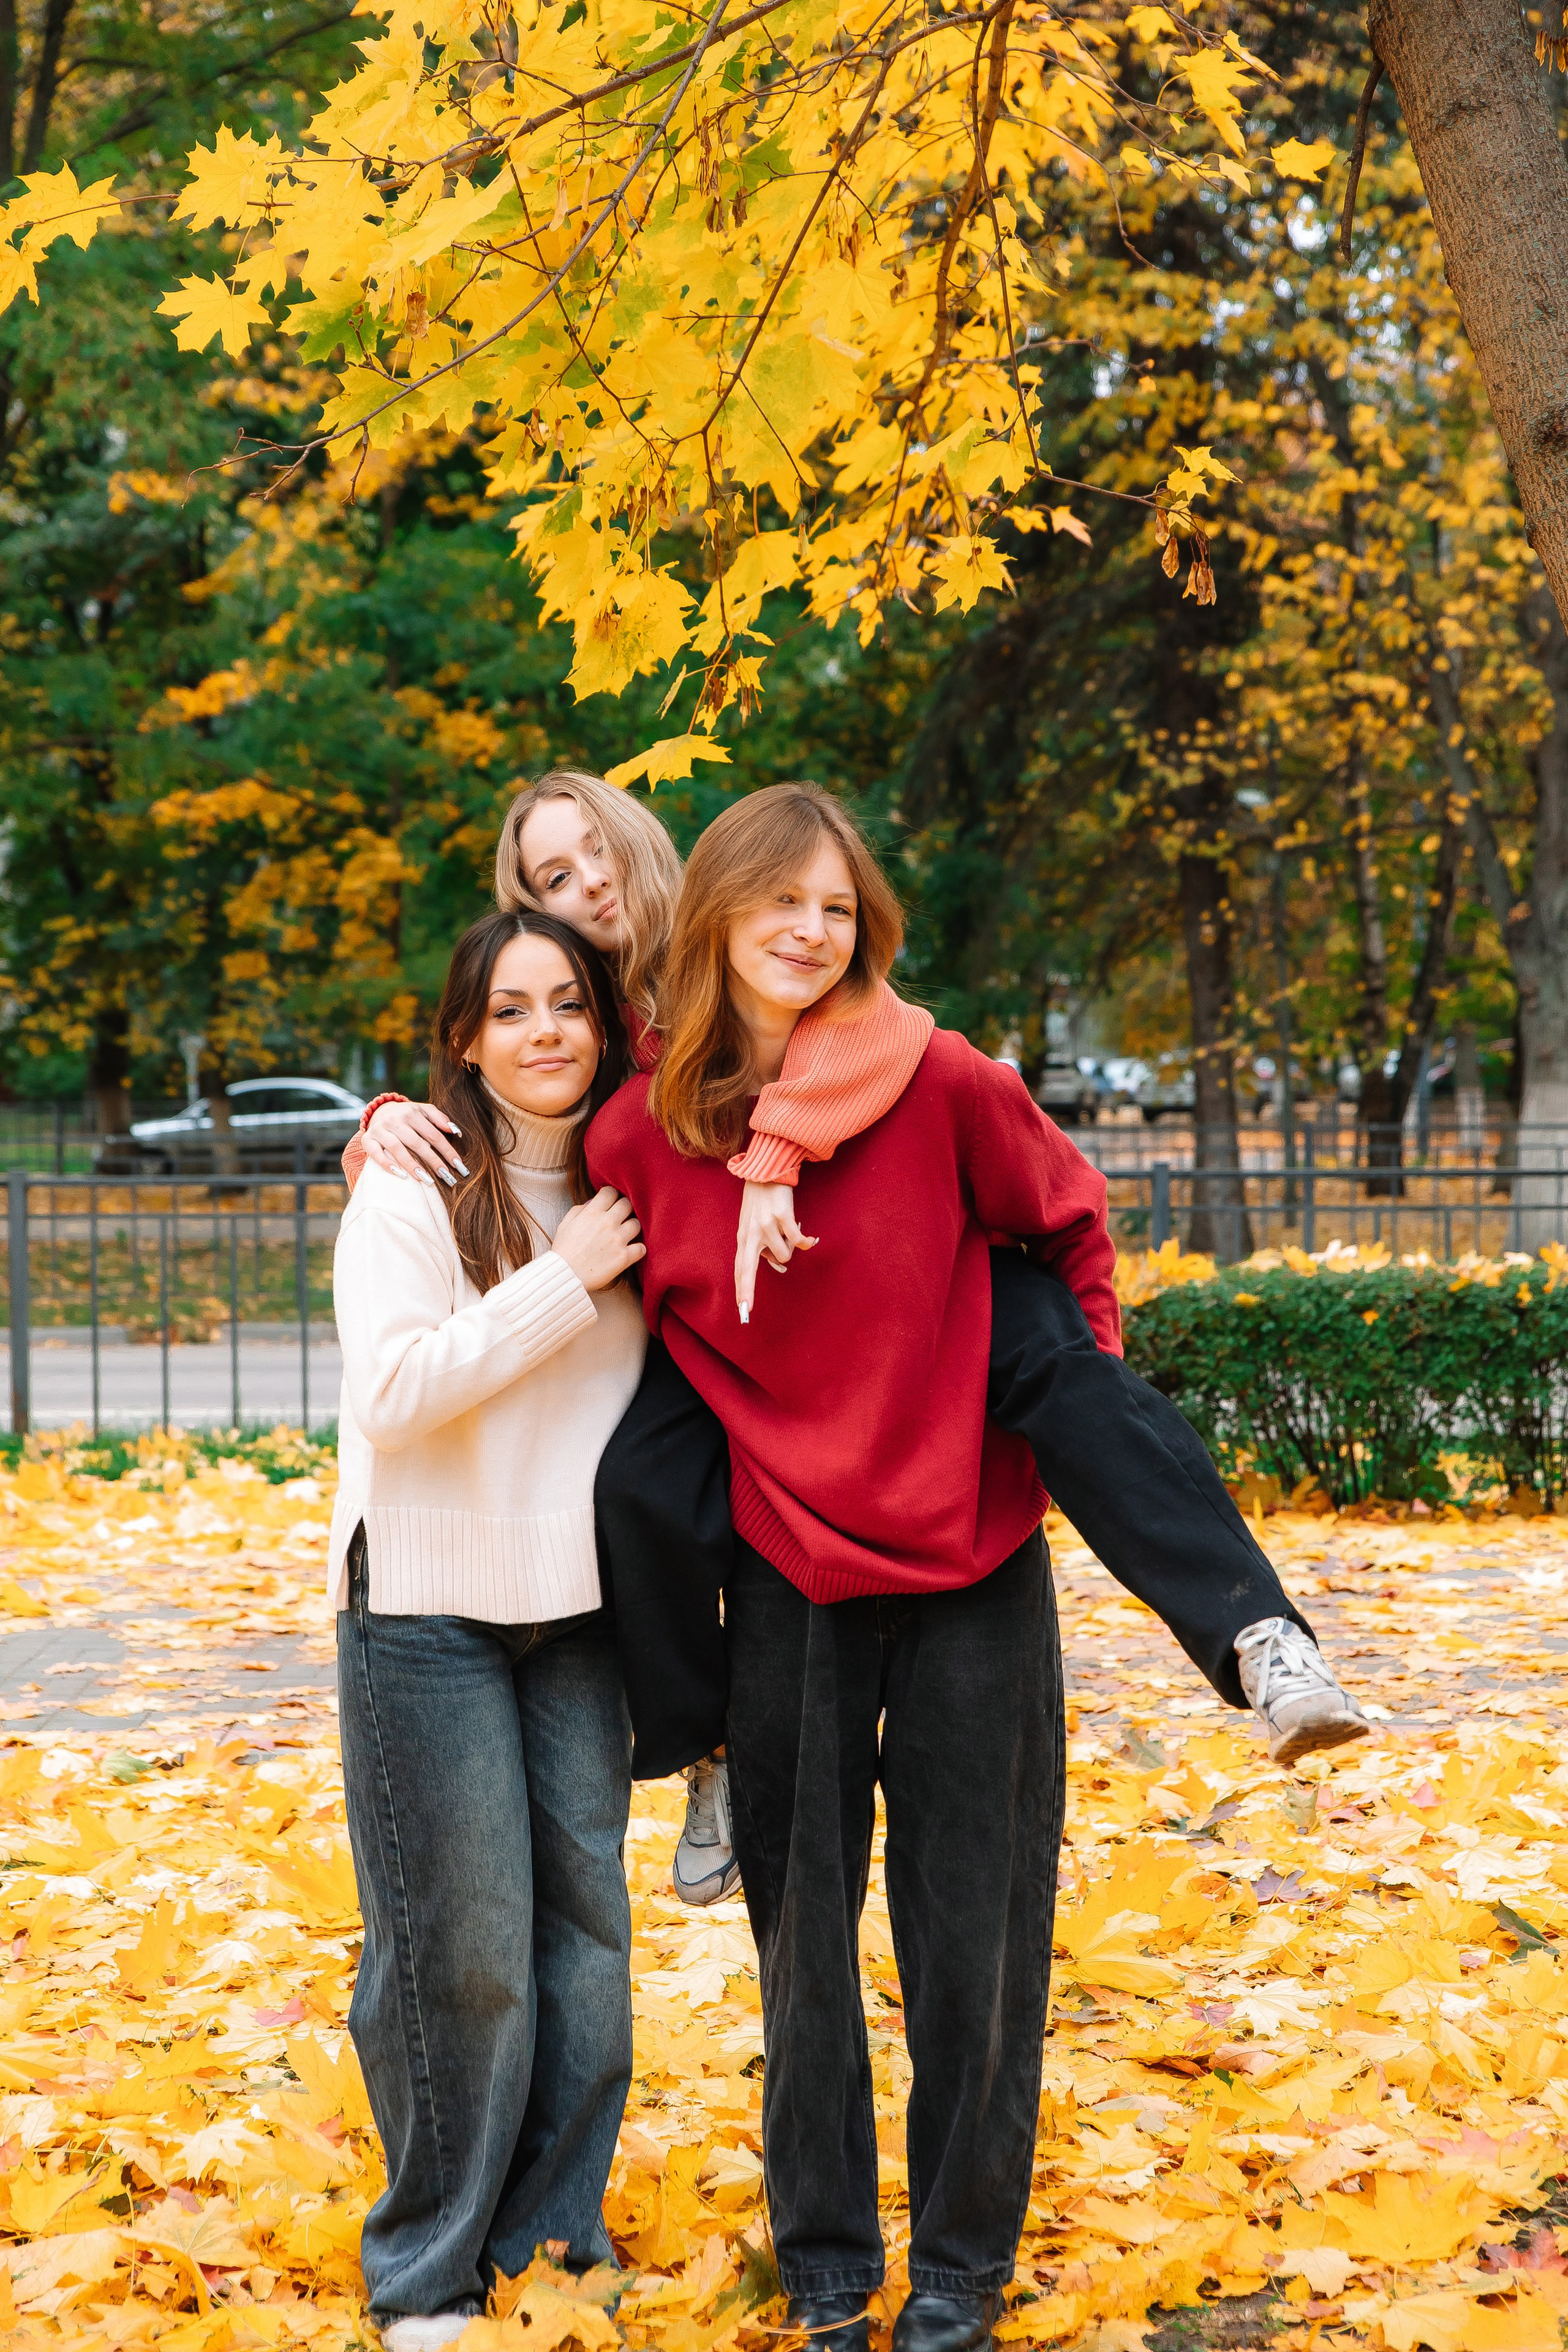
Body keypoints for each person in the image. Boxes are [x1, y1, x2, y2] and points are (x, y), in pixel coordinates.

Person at [347, 772, 1366, 1873]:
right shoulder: (579, 1013)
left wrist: (777, 1152)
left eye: (597, 847)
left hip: (909, 1256)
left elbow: (878, 1021)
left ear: (647, 842)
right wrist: (384, 1120)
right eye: (554, 873)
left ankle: (1258, 1636)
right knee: (643, 1484)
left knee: (1073, 1378)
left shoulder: (760, 924)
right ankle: (711, 1753)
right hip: (727, 1314)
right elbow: (502, 1091)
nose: (589, 880)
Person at [584, 784, 1098, 2352]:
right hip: (787, 1580)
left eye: (835, 905)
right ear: (717, 916)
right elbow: (525, 1187)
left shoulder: (940, 1083)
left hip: (971, 1567)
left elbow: (1067, 1223)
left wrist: (1062, 1408)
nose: (809, 929)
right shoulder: (642, 1128)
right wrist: (378, 1139)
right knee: (801, 1950)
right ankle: (823, 2267)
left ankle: (956, 2265)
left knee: (974, 1937)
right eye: (778, 903)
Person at [330, 908, 647, 2350]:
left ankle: (553, 2243)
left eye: (568, 1003)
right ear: (462, 1039)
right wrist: (564, 1278)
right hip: (426, 1602)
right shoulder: (411, 1190)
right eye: (510, 1010)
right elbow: (396, 1396)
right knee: (462, 1950)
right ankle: (427, 2270)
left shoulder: (635, 1181)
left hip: (579, 1609)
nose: (544, 1034)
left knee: (584, 1939)